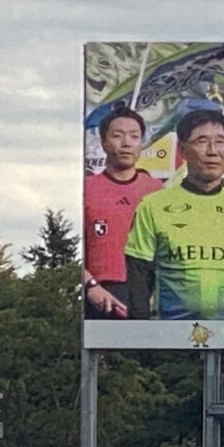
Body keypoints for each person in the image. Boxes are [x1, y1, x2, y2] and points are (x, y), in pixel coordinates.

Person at [125, 110, 224, 320]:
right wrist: (141, 339)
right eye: (201, 141)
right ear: (182, 150)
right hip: (173, 336)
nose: (212, 151)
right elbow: (139, 277)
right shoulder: (153, 206)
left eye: (220, 141)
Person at [84, 107, 162, 319]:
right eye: (117, 136)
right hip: (100, 293)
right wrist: (90, 285)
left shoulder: (156, 191)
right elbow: (74, 248)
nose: (126, 143)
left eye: (134, 136)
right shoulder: (85, 189)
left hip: (146, 293)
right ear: (103, 142)